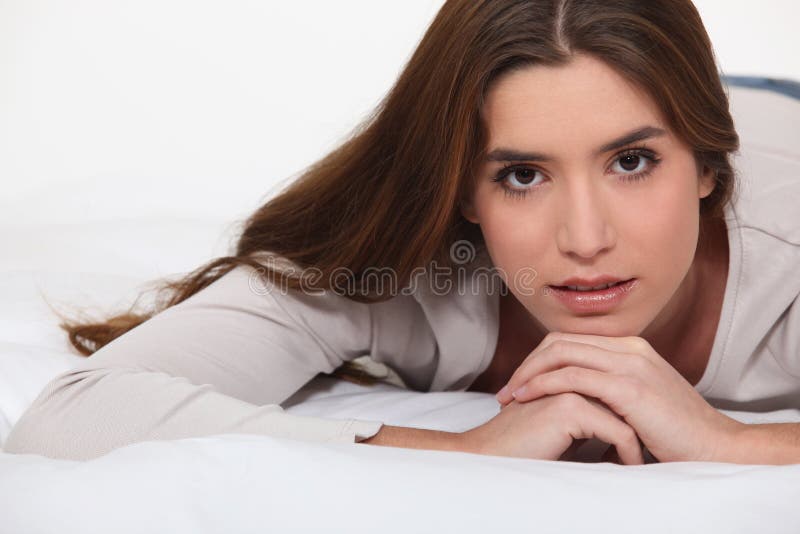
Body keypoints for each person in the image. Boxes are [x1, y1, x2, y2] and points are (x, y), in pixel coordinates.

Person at [4, 0, 800, 464]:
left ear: (706, 170)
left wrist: (729, 441)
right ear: (461, 190)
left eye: (631, 164)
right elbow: (73, 413)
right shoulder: (395, 265)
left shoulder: (784, 266)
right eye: (521, 175)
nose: (585, 239)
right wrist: (462, 450)